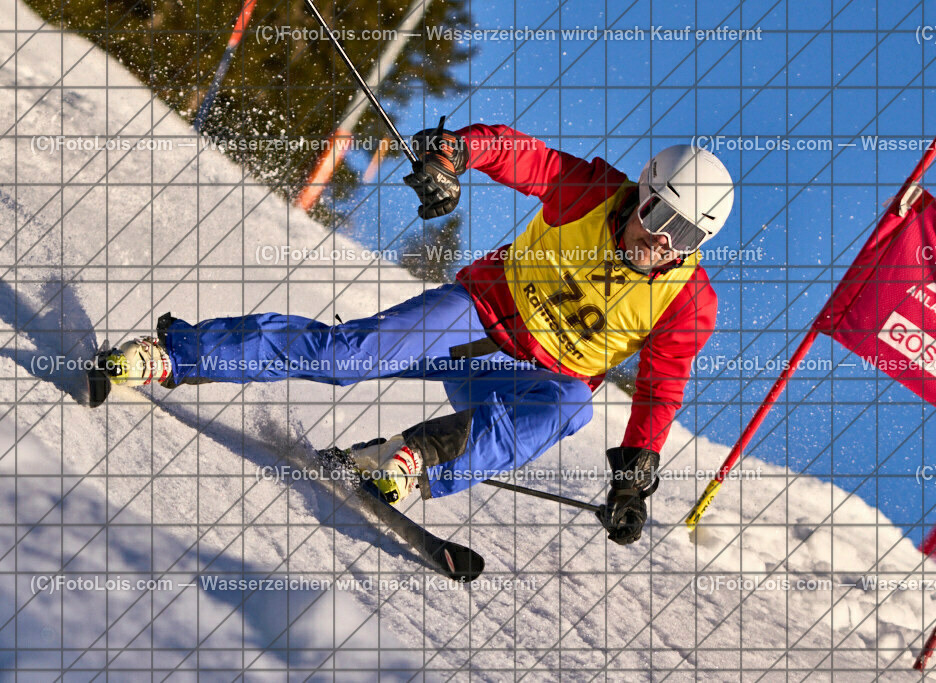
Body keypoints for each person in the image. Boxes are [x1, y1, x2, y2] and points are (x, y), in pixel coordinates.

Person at [101, 123, 733, 545]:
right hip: (476, 318)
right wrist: (453, 153)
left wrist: (633, 477)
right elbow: (524, 157)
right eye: (659, 216)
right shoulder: (592, 192)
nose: (661, 242)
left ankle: (410, 458)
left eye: (686, 236)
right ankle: (174, 354)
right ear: (642, 194)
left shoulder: (688, 299)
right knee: (346, 358)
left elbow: (660, 388)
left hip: (530, 377)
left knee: (571, 405)